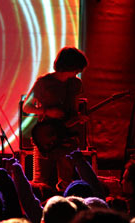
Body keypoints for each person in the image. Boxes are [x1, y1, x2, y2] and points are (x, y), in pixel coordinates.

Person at [22, 46, 88, 191]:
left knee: (66, 183)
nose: (77, 72)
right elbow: (26, 106)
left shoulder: (76, 84)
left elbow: (74, 110)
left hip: (67, 138)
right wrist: (47, 111)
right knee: (40, 182)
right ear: (69, 65)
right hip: (45, 138)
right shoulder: (44, 83)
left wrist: (78, 118)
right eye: (76, 68)